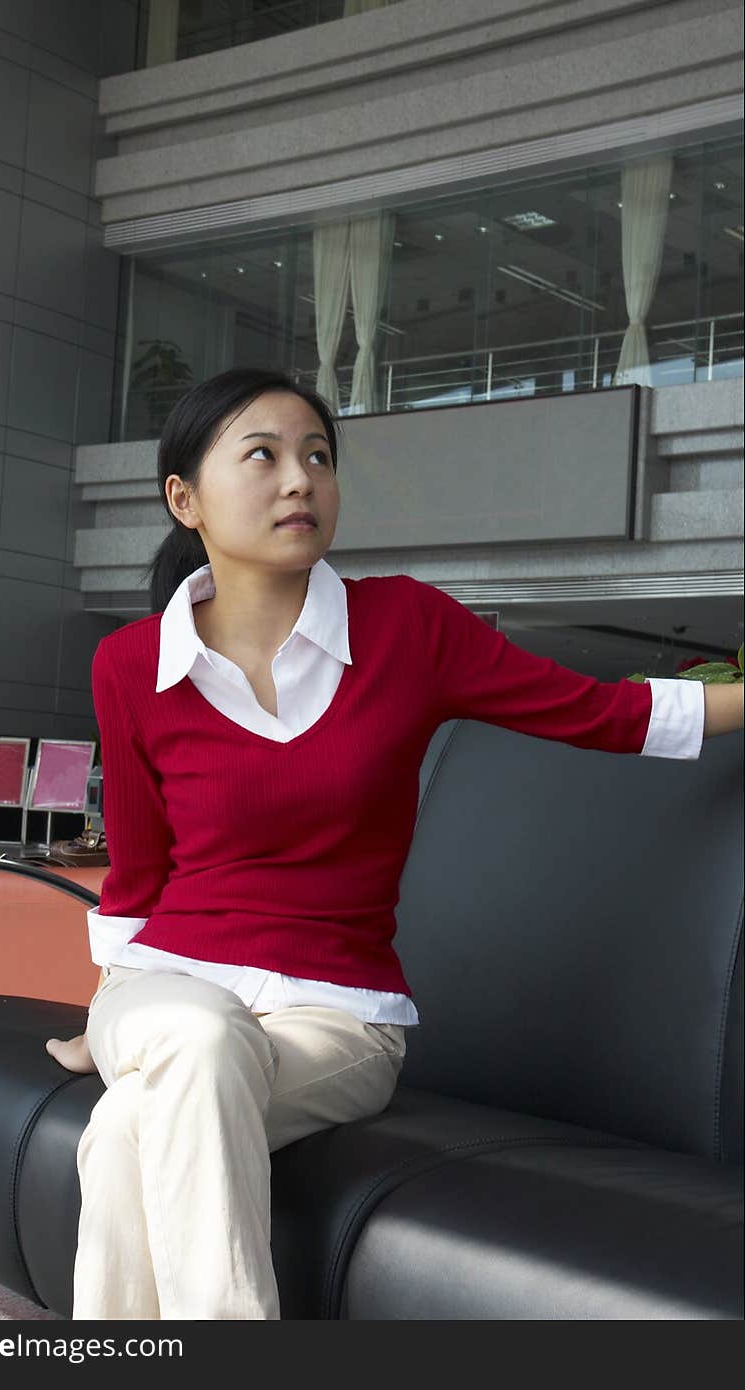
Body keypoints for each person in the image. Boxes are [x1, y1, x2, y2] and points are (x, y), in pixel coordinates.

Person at [46, 366, 743, 1320]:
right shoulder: (129, 664)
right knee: (194, 1037)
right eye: (263, 455)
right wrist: (106, 1014)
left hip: (335, 1016)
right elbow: (138, 870)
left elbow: (601, 712)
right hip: (166, 990)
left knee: (136, 1120)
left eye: (319, 457)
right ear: (185, 499)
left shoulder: (409, 628)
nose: (301, 480)